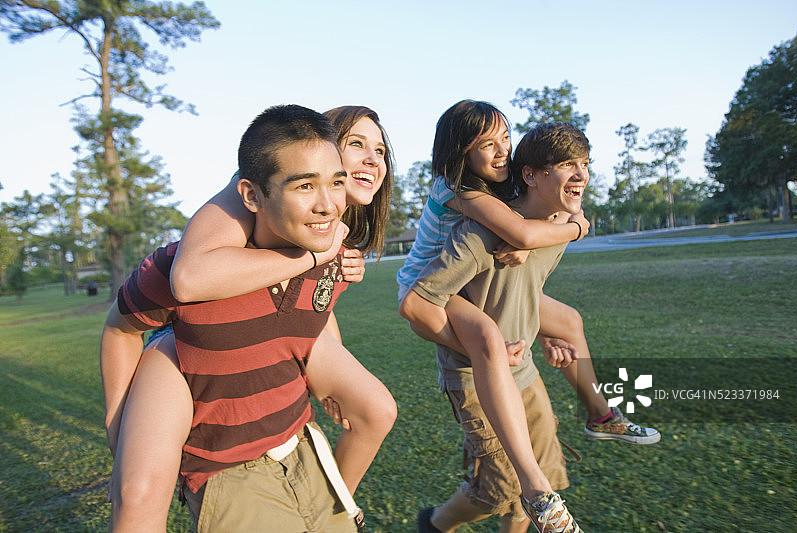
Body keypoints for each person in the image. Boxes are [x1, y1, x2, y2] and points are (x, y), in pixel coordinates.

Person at [101, 104, 373, 532]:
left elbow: (316, 321)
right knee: (136, 498)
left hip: (302, 453)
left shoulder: (333, 259)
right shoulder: (180, 268)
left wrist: (330, 380)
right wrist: (118, 430)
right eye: (305, 186)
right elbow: (121, 328)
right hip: (224, 474)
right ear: (251, 196)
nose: (327, 205)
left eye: (336, 183)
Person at [405, 121, 594, 532]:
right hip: (468, 360)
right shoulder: (469, 207)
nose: (502, 149)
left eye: (505, 138)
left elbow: (526, 280)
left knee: (542, 465)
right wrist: (561, 230)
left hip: (521, 367)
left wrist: (546, 332)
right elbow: (417, 305)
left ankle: (600, 416)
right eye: (487, 143)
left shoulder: (545, 221)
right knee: (501, 486)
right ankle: (433, 525)